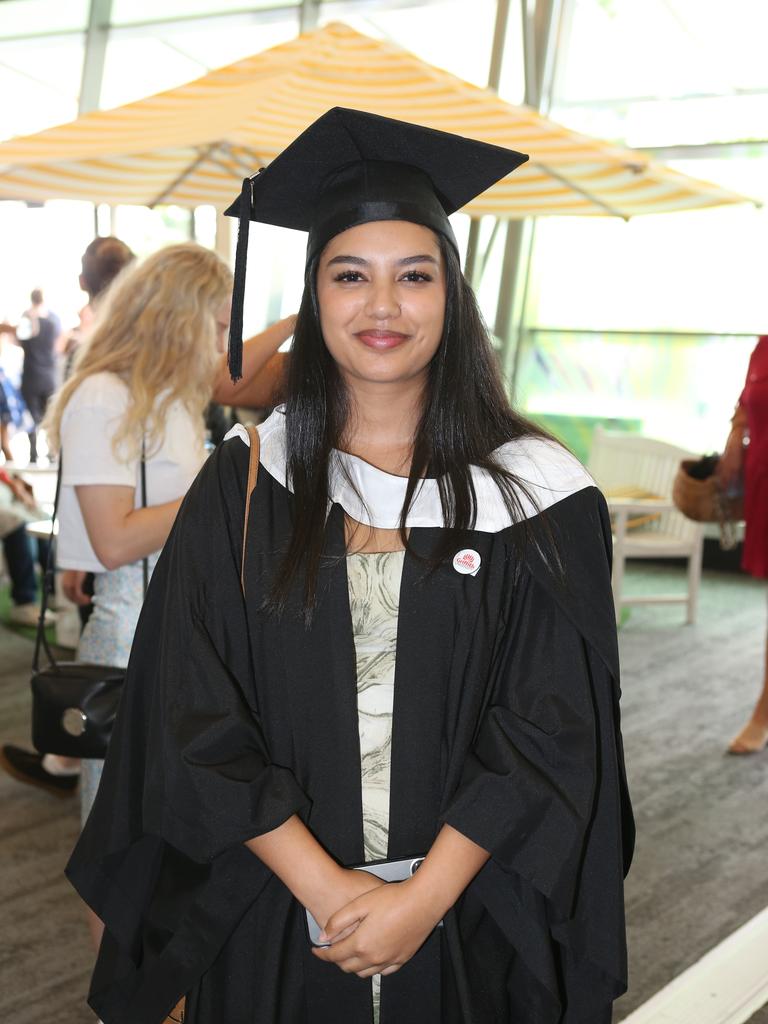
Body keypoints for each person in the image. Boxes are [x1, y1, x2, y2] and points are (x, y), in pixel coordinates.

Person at [67, 109, 634, 1024]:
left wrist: (422, 898)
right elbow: (190, 707)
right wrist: (326, 890)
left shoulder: (537, 493)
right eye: (350, 276)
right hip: (274, 911)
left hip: (464, 918)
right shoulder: (248, 481)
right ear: (315, 295)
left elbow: (549, 724)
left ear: (451, 295)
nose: (382, 306)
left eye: (413, 276)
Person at [720, 334, 768, 753]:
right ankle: (764, 709)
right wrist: (735, 438)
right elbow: (746, 401)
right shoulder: (763, 345)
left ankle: (762, 712)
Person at [15, 288, 60, 462]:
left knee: (32, 414)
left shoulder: (27, 319)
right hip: (49, 374)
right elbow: (58, 346)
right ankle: (51, 451)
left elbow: (21, 340)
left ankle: (33, 453)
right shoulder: (53, 321)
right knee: (49, 414)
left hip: (31, 374)